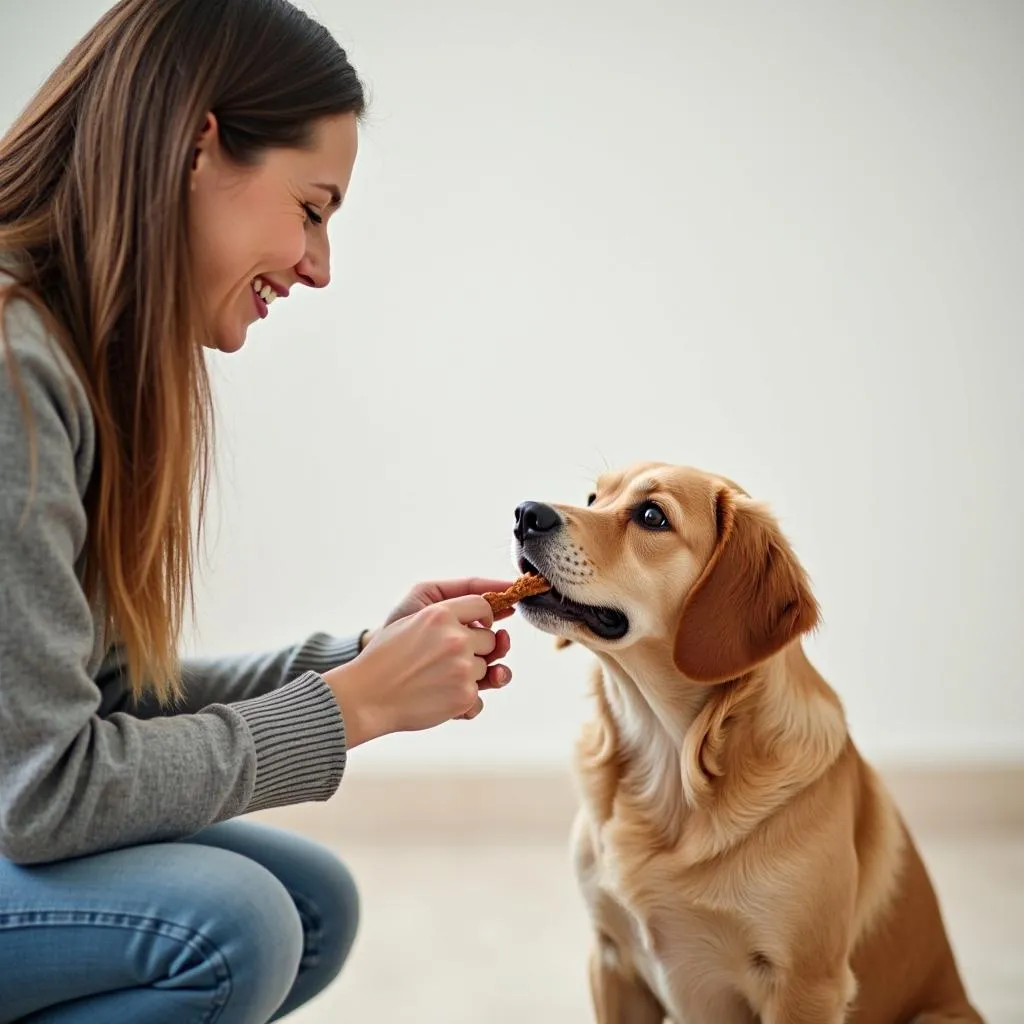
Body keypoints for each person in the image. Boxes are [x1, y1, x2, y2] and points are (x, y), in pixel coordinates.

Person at [0, 1, 517, 1020]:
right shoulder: (11, 366)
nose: (319, 265)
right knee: (234, 922)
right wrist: (354, 705)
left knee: (309, 901)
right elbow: (48, 788)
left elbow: (87, 697)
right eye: (313, 208)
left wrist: (353, 658)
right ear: (201, 143)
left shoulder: (62, 353)